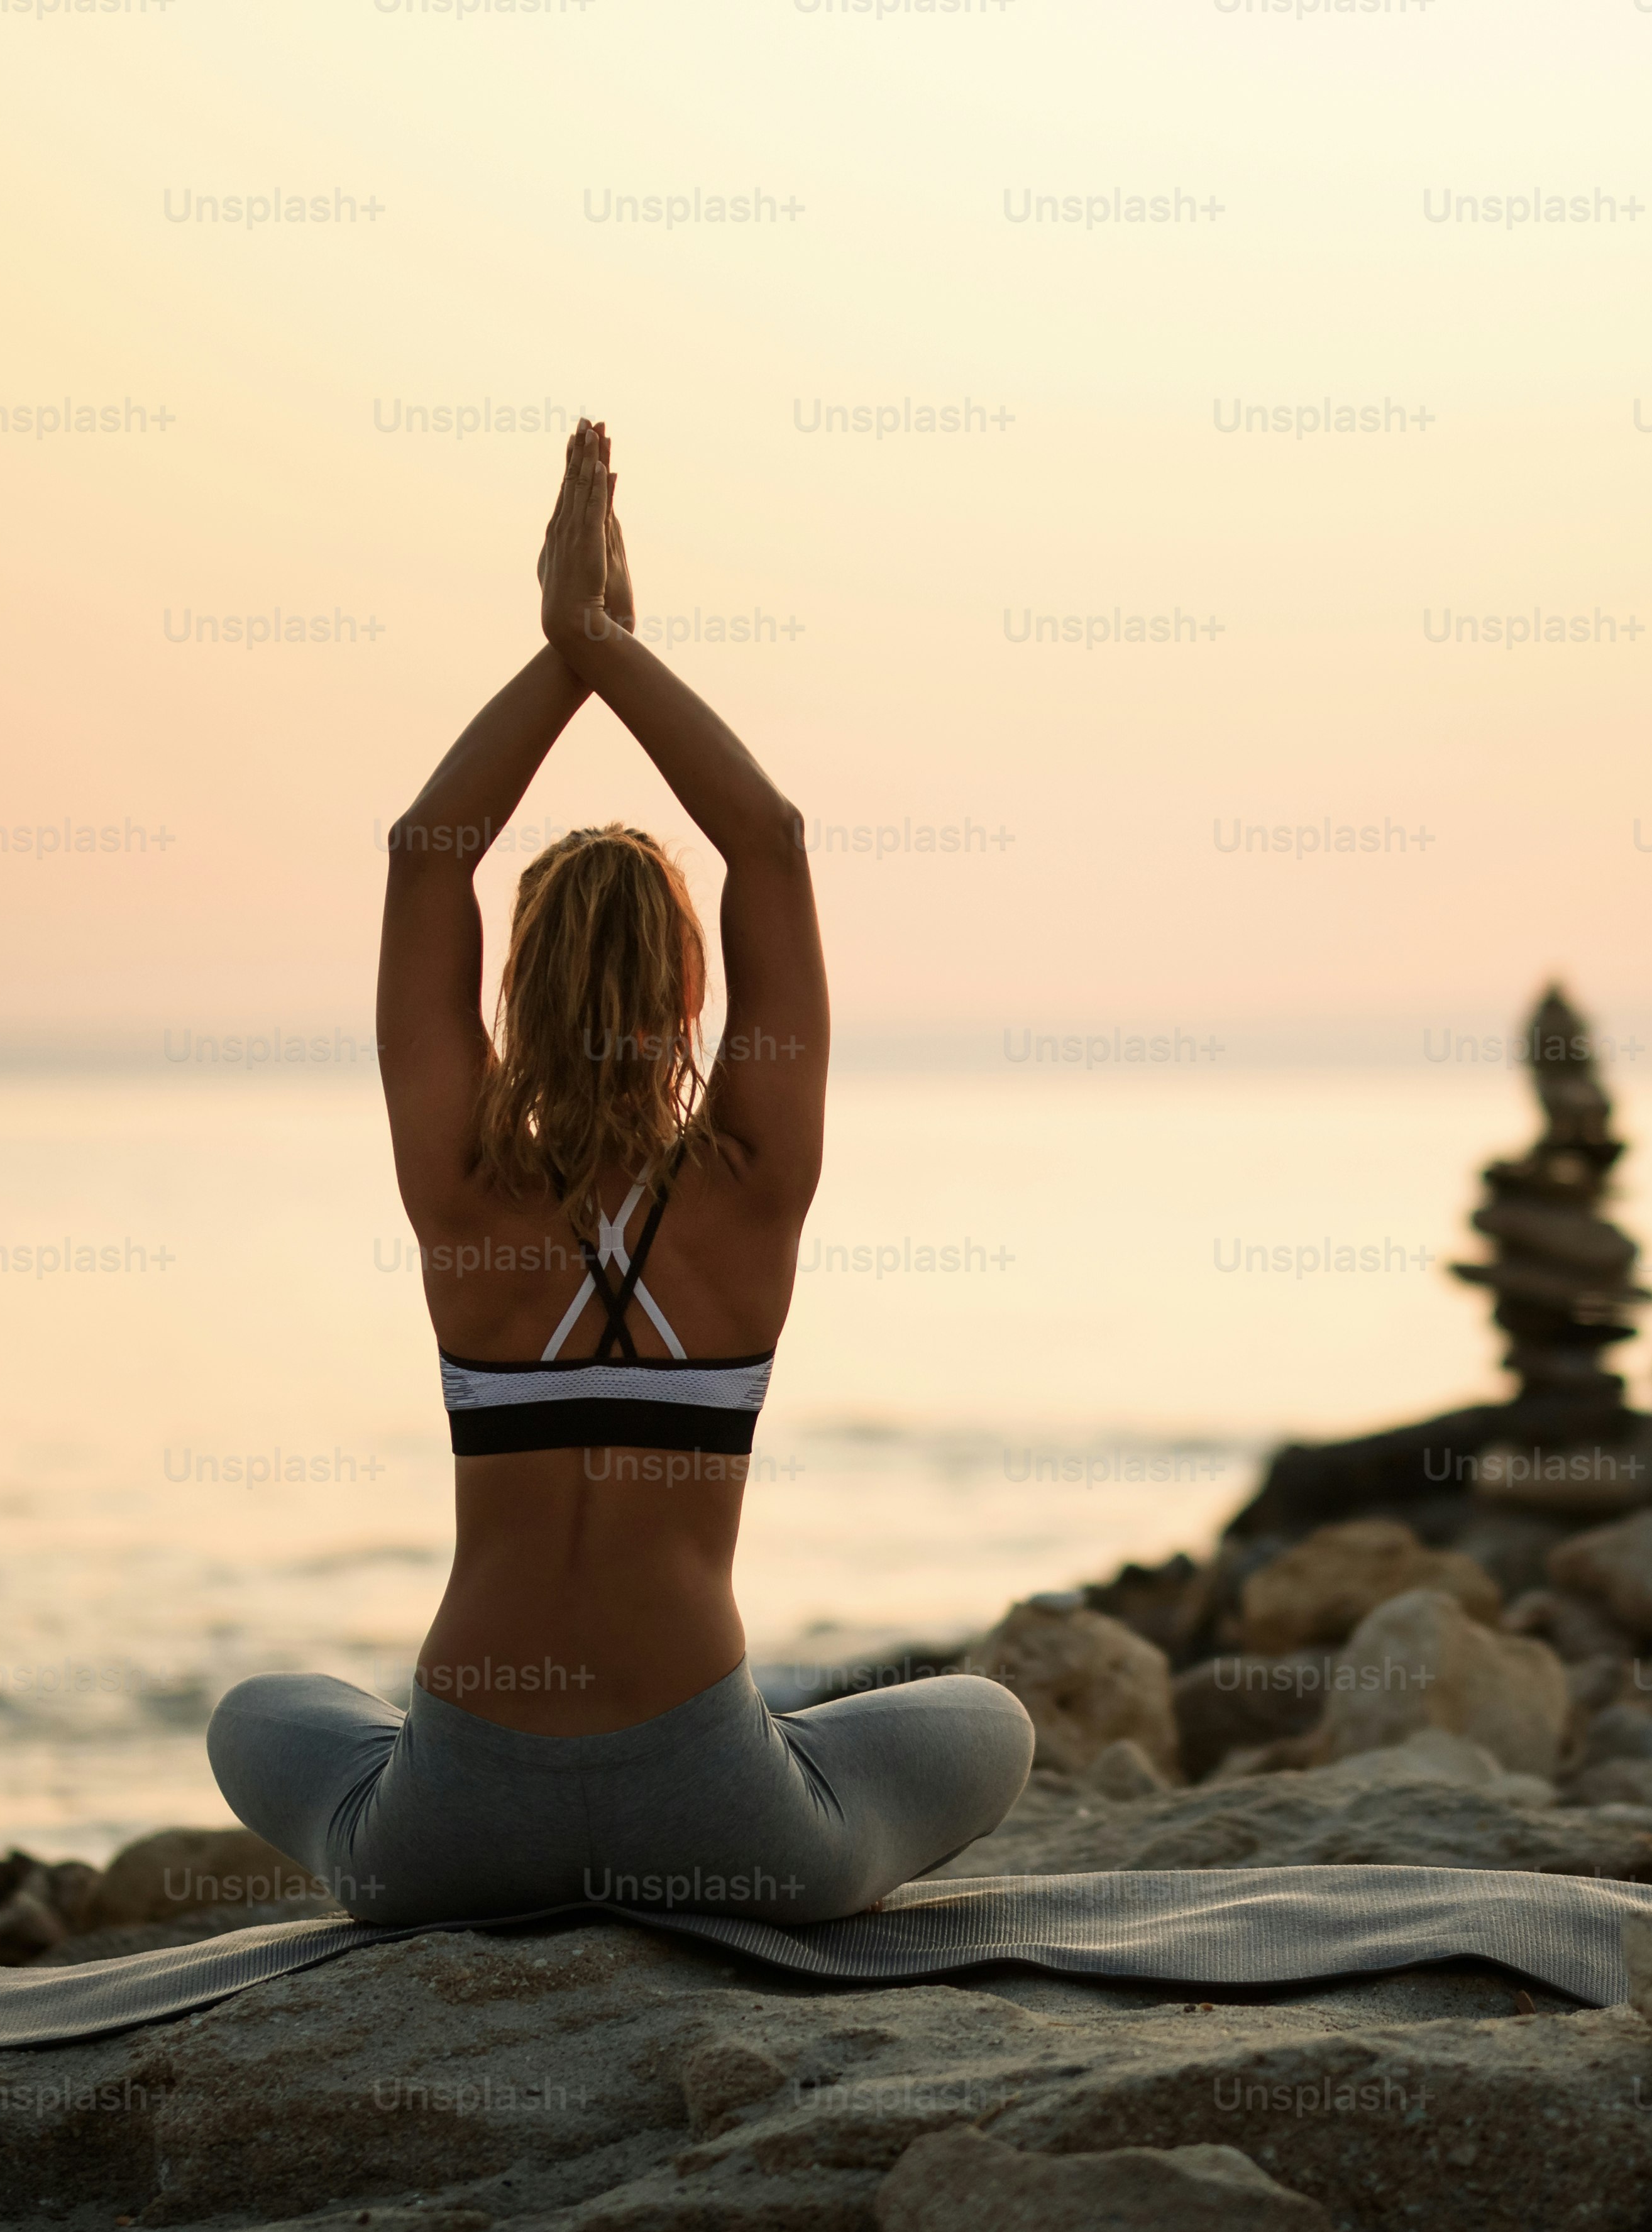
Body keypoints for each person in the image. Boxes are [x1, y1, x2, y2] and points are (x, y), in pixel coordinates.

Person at [204, 422, 1034, 1927]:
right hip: (713, 1812)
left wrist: (556, 655)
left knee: (261, 1710)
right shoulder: (755, 1182)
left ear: (509, 988)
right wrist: (608, 645)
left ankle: (421, 1804)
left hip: (450, 1831)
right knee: (989, 1717)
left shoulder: (460, 1189)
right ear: (694, 975)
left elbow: (420, 853)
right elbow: (768, 839)